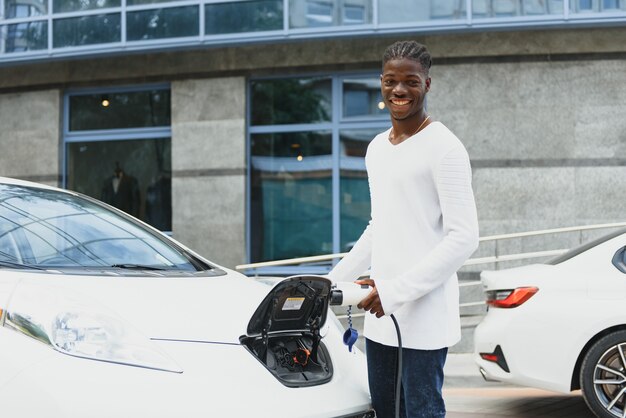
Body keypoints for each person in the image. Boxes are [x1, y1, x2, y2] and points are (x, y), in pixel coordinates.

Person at [327, 41, 479, 418]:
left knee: (421, 412)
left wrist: (395, 291)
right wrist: (328, 284)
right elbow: (380, 228)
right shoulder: (376, 148)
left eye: (410, 82)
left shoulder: (445, 148)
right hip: (379, 319)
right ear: (380, 83)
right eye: (391, 81)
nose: (399, 90)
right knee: (383, 411)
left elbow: (464, 237)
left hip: (425, 319)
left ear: (427, 84)